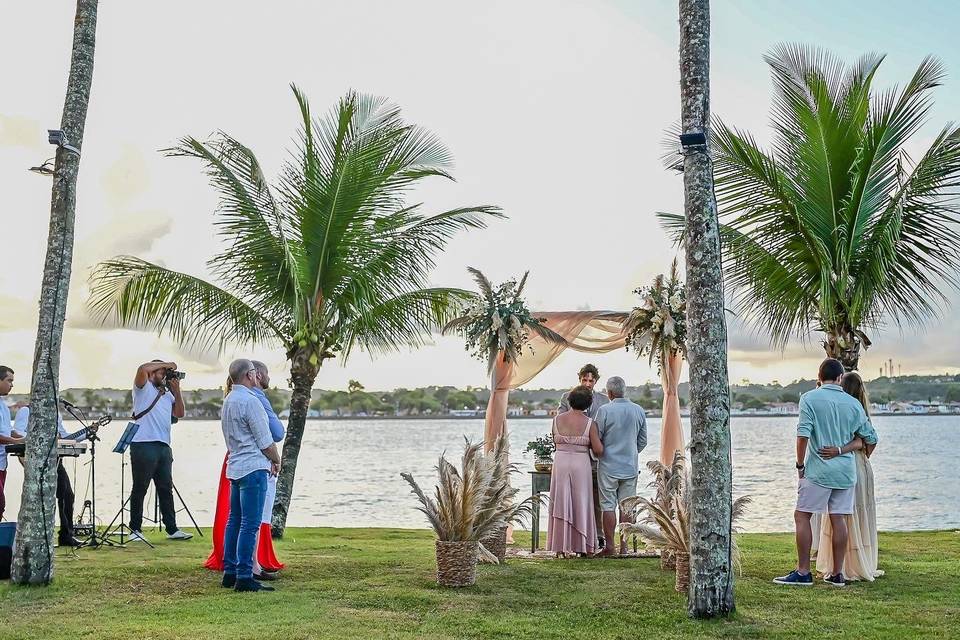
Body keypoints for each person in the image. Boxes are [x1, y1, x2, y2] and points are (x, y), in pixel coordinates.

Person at [774, 358, 878, 588]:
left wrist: (800, 465)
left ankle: (803, 572)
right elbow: (871, 438)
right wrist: (850, 451)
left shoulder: (809, 398)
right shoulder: (853, 404)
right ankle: (837, 574)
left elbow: (803, 435)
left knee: (802, 516)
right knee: (838, 518)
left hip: (818, 470)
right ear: (841, 378)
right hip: (845, 472)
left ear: (819, 377)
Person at [811, 371, 883, 581]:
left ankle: (838, 566)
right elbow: (869, 441)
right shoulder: (857, 410)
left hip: (843, 464)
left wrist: (840, 450)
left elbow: (865, 440)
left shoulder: (839, 409)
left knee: (840, 514)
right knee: (855, 514)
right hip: (859, 464)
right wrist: (862, 454)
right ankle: (855, 563)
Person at [219, 359, 281, 593]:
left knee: (234, 521)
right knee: (250, 524)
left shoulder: (229, 400)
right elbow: (265, 440)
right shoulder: (250, 401)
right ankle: (245, 575)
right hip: (254, 467)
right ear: (249, 375)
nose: (258, 377)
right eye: (255, 374)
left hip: (235, 466)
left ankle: (230, 571)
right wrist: (276, 459)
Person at [128, 360, 192, 542]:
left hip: (163, 445)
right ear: (152, 372)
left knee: (165, 488)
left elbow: (179, 413)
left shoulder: (166, 394)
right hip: (143, 444)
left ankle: (172, 529)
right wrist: (168, 363)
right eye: (161, 371)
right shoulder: (142, 388)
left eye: (165, 372)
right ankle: (135, 529)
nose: (163, 375)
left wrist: (177, 391)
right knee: (140, 488)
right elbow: (141, 368)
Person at [546, 385, 603, 557]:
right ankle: (582, 546)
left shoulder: (556, 420)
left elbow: (555, 443)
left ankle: (560, 547)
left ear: (569, 401)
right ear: (588, 403)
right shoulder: (589, 423)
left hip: (561, 462)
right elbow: (599, 450)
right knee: (581, 502)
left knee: (561, 501)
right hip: (580, 463)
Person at [593, 376, 647, 556]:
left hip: (608, 466)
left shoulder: (604, 410)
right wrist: (630, 453)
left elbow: (597, 438)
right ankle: (624, 547)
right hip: (630, 466)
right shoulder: (638, 410)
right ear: (625, 391)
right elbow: (643, 441)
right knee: (627, 507)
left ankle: (610, 547)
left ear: (609, 393)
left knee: (608, 506)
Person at [12, 405, 80, 546]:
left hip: (55, 460)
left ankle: (66, 536)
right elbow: (16, 433)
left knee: (67, 495)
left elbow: (64, 436)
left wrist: (86, 432)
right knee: (39, 498)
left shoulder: (56, 413)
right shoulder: (26, 410)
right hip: (35, 460)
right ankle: (36, 537)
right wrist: (39, 440)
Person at [557, 364, 609, 547]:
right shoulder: (567, 397)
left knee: (596, 497)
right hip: (574, 454)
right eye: (584, 380)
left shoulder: (604, 400)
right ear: (579, 379)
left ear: (596, 381)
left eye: (591, 380)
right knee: (571, 496)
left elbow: (606, 426)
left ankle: (598, 534)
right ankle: (572, 536)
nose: (587, 383)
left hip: (595, 456)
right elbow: (561, 422)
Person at [0, 366, 25, 521]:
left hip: (2, 464)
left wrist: (25, 438)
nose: (11, 385)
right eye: (9, 380)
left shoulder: (3, 404)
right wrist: (17, 441)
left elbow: (8, 431)